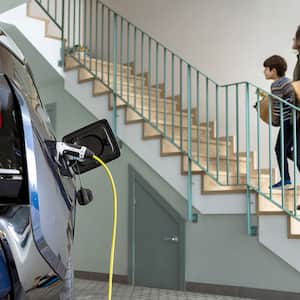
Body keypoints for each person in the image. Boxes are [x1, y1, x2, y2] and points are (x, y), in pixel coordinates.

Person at [263, 55, 295, 189]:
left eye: (266, 69)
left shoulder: (276, 85)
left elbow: (278, 107)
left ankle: (286, 180)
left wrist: (275, 121)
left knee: (279, 149)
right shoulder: (288, 81)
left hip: (288, 121)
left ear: (274, 71)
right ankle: (286, 179)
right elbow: (291, 99)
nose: (264, 72)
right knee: (286, 150)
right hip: (294, 121)